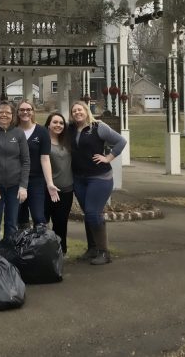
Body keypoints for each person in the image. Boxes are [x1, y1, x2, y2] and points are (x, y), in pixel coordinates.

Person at [69, 100, 127, 265]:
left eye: (80, 110)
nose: (77, 113)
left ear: (86, 111)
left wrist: (108, 157)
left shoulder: (99, 127)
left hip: (99, 178)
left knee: (93, 213)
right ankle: (92, 249)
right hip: (79, 179)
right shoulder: (71, 129)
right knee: (88, 214)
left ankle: (104, 252)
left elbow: (121, 142)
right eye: (74, 111)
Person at [0, 101, 29, 244]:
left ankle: (9, 254)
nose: (4, 115)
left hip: (15, 186)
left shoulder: (19, 133)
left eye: (8, 112)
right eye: (1, 112)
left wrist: (23, 186)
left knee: (11, 222)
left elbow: (26, 161)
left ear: (12, 115)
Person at [15, 100, 60, 227]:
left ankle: (40, 245)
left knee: (39, 217)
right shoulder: (12, 131)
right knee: (19, 217)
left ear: (33, 112)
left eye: (28, 109)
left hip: (36, 180)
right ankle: (22, 245)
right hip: (16, 180)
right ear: (17, 112)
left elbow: (45, 159)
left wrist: (50, 183)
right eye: (22, 109)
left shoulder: (42, 132)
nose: (25, 112)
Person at [45, 112, 73, 255]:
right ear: (48, 125)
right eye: (55, 122)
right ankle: (44, 254)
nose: (58, 125)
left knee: (61, 224)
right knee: (43, 223)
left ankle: (61, 253)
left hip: (66, 190)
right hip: (47, 190)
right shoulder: (43, 142)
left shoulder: (67, 141)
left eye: (61, 123)